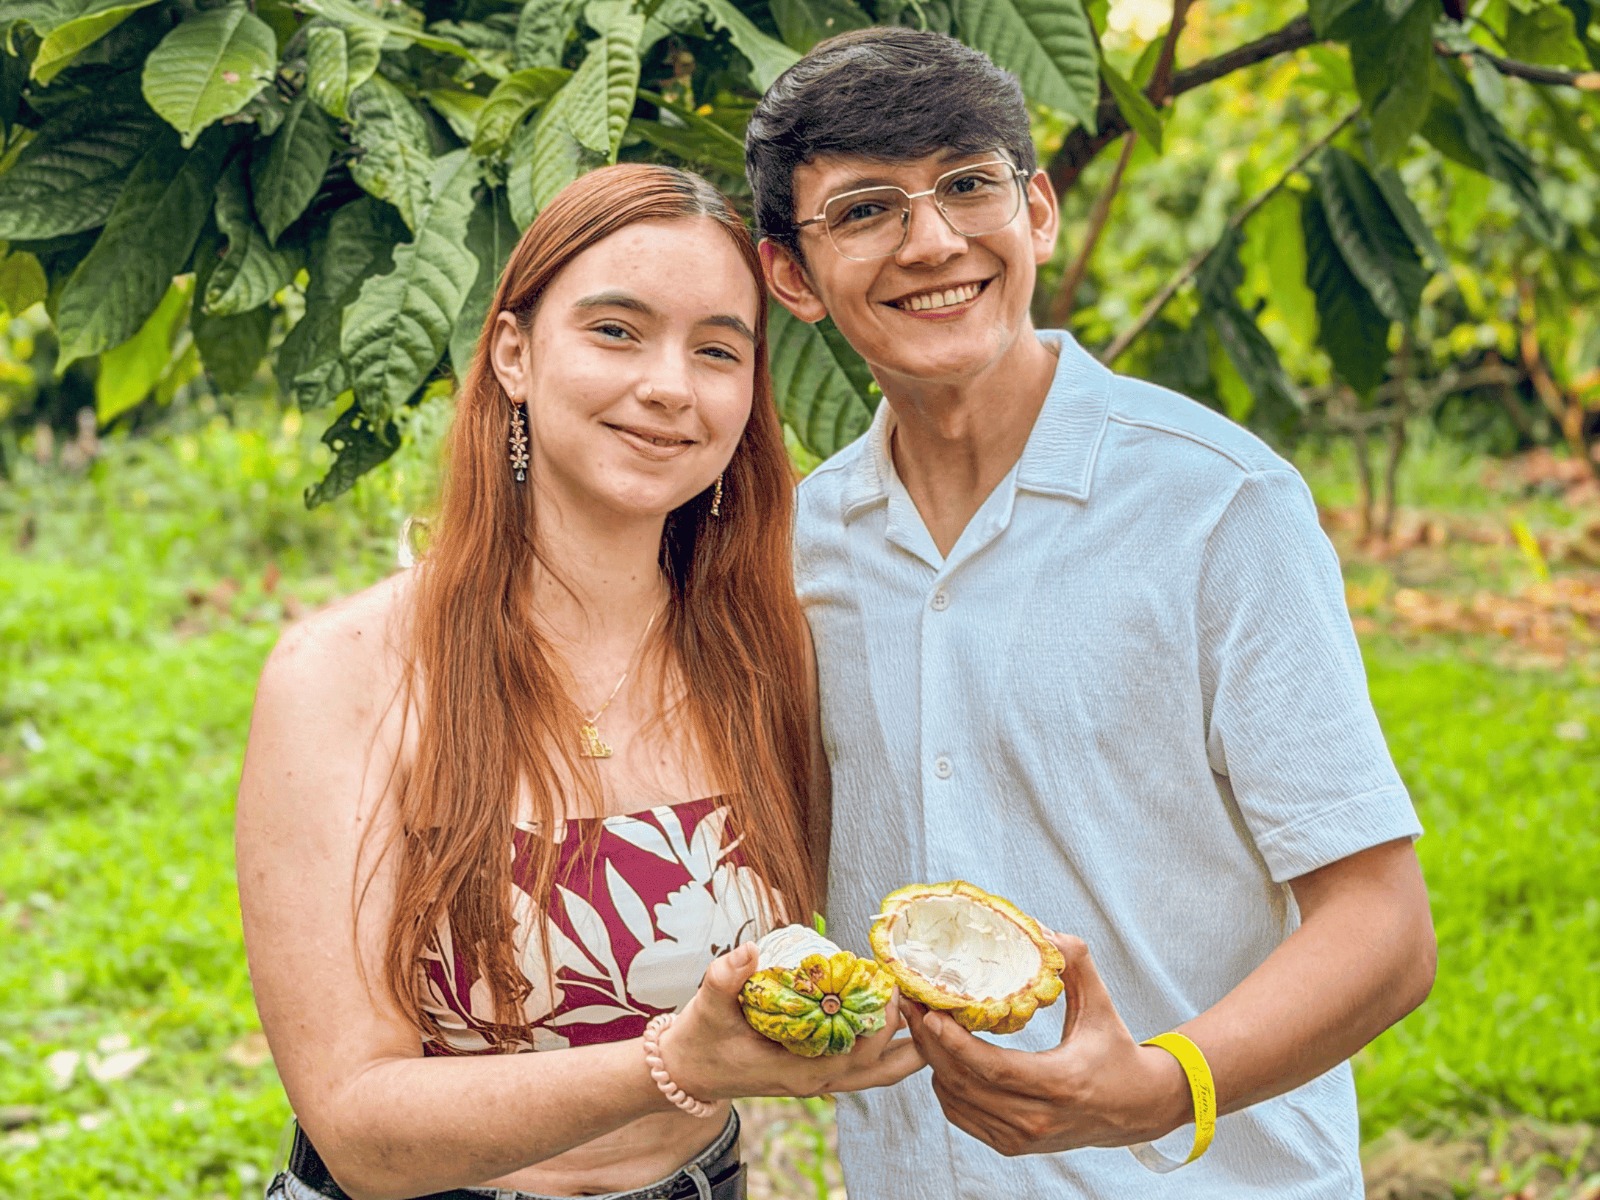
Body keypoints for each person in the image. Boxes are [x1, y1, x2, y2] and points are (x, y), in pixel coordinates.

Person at [745, 26, 1437, 1200]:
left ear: (1039, 211)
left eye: (969, 186)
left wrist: (1164, 1084)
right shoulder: (798, 550)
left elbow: (1382, 928)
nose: (933, 242)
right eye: (865, 210)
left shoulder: (1219, 507)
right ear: (791, 279)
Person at [235, 163, 920, 1200]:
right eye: (616, 331)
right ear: (513, 353)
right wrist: (673, 1064)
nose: (669, 385)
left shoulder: (776, 658)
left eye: (717, 351)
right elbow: (359, 1131)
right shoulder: (343, 673)